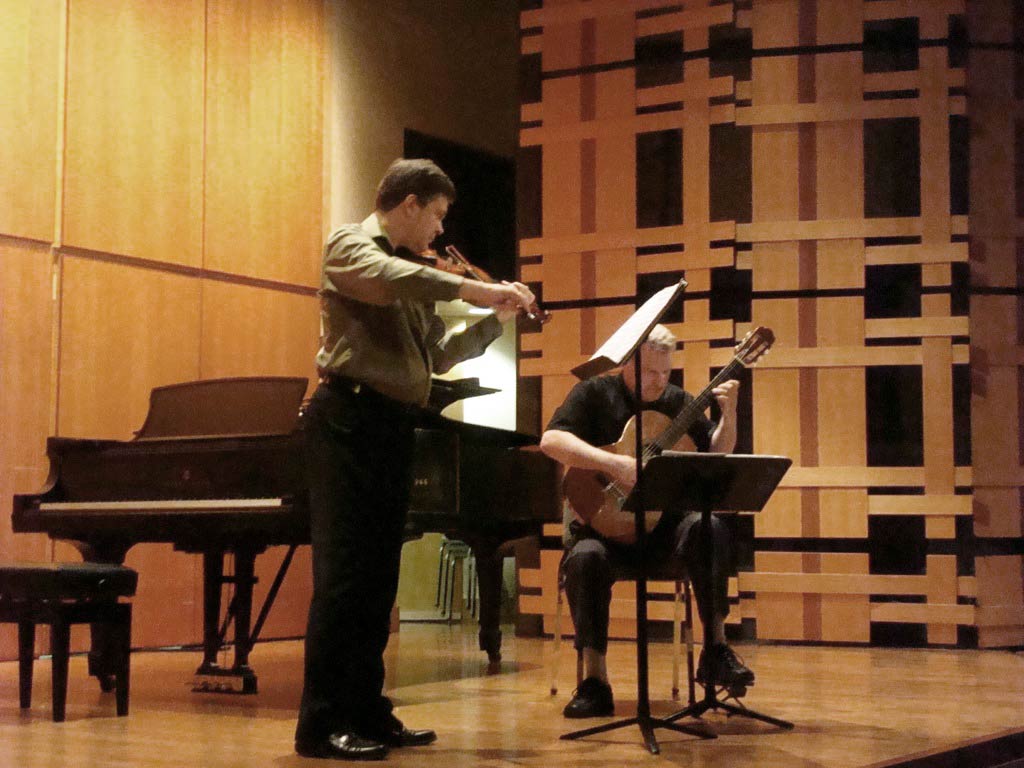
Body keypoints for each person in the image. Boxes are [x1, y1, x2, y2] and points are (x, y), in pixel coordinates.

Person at [295, 158, 535, 761]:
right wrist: (473, 287)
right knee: (344, 580)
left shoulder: (415, 274)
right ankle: (321, 725)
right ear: (408, 204)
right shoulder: (348, 245)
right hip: (346, 420)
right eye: (436, 215)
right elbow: (385, 274)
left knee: (379, 582)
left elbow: (437, 354)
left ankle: (368, 712)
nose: (439, 232)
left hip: (391, 426)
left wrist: (492, 323)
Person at [539, 324, 753, 718]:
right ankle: (594, 681)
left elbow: (716, 455)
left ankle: (716, 650)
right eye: (651, 373)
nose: (660, 381)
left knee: (710, 527)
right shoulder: (593, 394)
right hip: (603, 534)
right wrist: (614, 463)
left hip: (665, 536)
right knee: (584, 558)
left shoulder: (679, 403)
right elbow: (551, 441)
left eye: (666, 373)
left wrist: (731, 412)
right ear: (627, 366)